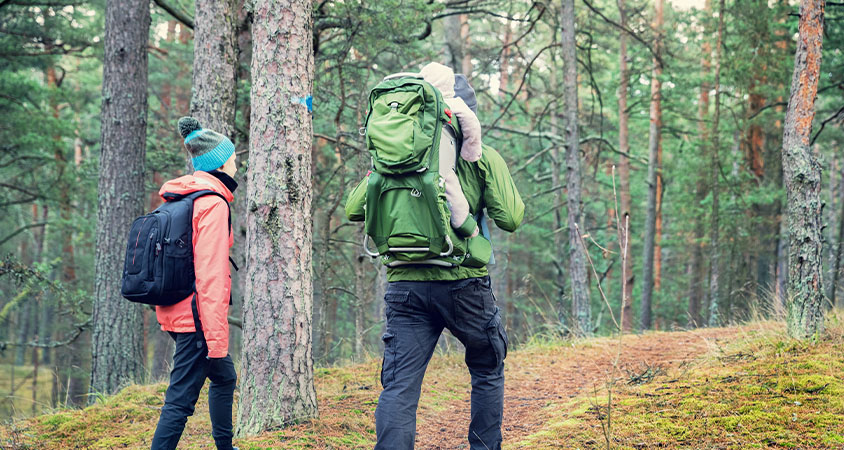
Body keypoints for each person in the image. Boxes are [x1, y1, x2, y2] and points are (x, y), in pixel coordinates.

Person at [345, 74, 524, 450]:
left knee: (399, 386)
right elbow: (510, 217)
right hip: (464, 283)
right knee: (487, 367)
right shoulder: (481, 156)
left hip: (405, 286)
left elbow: (353, 209)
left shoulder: (391, 160)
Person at [150, 117, 239, 450]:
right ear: (220, 165)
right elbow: (211, 276)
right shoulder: (212, 204)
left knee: (224, 377)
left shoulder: (182, 199)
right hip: (197, 320)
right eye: (232, 159)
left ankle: (225, 446)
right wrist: (214, 338)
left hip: (177, 311)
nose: (236, 164)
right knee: (180, 401)